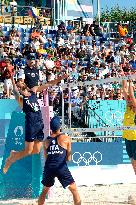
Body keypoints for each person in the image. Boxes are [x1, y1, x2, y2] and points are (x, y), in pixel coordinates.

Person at [3, 74, 68, 174]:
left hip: (39, 124)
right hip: (31, 126)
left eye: (21, 81)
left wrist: (60, 78)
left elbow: (48, 84)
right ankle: (12, 158)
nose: (20, 82)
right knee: (28, 151)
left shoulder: (33, 90)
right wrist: (12, 79)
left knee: (37, 151)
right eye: (18, 83)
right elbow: (15, 92)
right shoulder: (21, 99)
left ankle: (14, 154)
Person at [38, 116, 81, 205]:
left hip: (49, 167)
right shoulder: (66, 138)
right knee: (74, 190)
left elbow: (46, 158)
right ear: (60, 127)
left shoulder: (46, 141)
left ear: (51, 128)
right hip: (60, 167)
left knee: (44, 191)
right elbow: (69, 158)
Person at [122, 79, 136, 175]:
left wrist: (130, 81)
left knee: (135, 160)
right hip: (127, 137)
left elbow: (131, 95)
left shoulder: (135, 108)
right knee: (132, 161)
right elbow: (124, 90)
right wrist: (123, 78)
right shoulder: (128, 107)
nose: (129, 100)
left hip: (135, 138)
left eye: (130, 100)